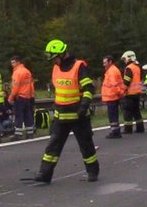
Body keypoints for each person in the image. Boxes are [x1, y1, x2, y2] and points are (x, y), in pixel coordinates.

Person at [33, 39, 99, 184]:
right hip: (61, 115)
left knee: (86, 145)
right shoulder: (56, 67)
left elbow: (89, 89)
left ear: (62, 54)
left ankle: (92, 172)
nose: (54, 61)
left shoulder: (79, 66)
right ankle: (44, 174)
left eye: (55, 58)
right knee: (53, 145)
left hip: (78, 115)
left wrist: (84, 106)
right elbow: (59, 90)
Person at [8, 55, 35, 140]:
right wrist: (31, 96)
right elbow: (31, 85)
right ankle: (30, 133)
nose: (12, 64)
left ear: (18, 62)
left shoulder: (17, 72)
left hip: (19, 97)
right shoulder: (27, 71)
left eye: (13, 62)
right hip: (27, 97)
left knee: (19, 115)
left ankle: (18, 134)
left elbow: (15, 86)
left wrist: (11, 97)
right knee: (28, 115)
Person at [101, 55, 126, 138]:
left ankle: (115, 132)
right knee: (113, 115)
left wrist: (119, 93)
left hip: (112, 97)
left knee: (113, 116)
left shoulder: (112, 71)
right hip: (112, 97)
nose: (103, 64)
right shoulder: (111, 70)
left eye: (105, 62)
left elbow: (114, 85)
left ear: (110, 62)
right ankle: (115, 131)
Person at [121, 50, 145, 134]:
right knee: (136, 111)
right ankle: (140, 128)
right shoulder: (137, 67)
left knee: (127, 111)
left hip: (130, 94)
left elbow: (126, 81)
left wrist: (122, 90)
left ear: (128, 58)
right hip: (137, 93)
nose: (124, 61)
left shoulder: (129, 68)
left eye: (125, 59)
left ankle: (128, 129)